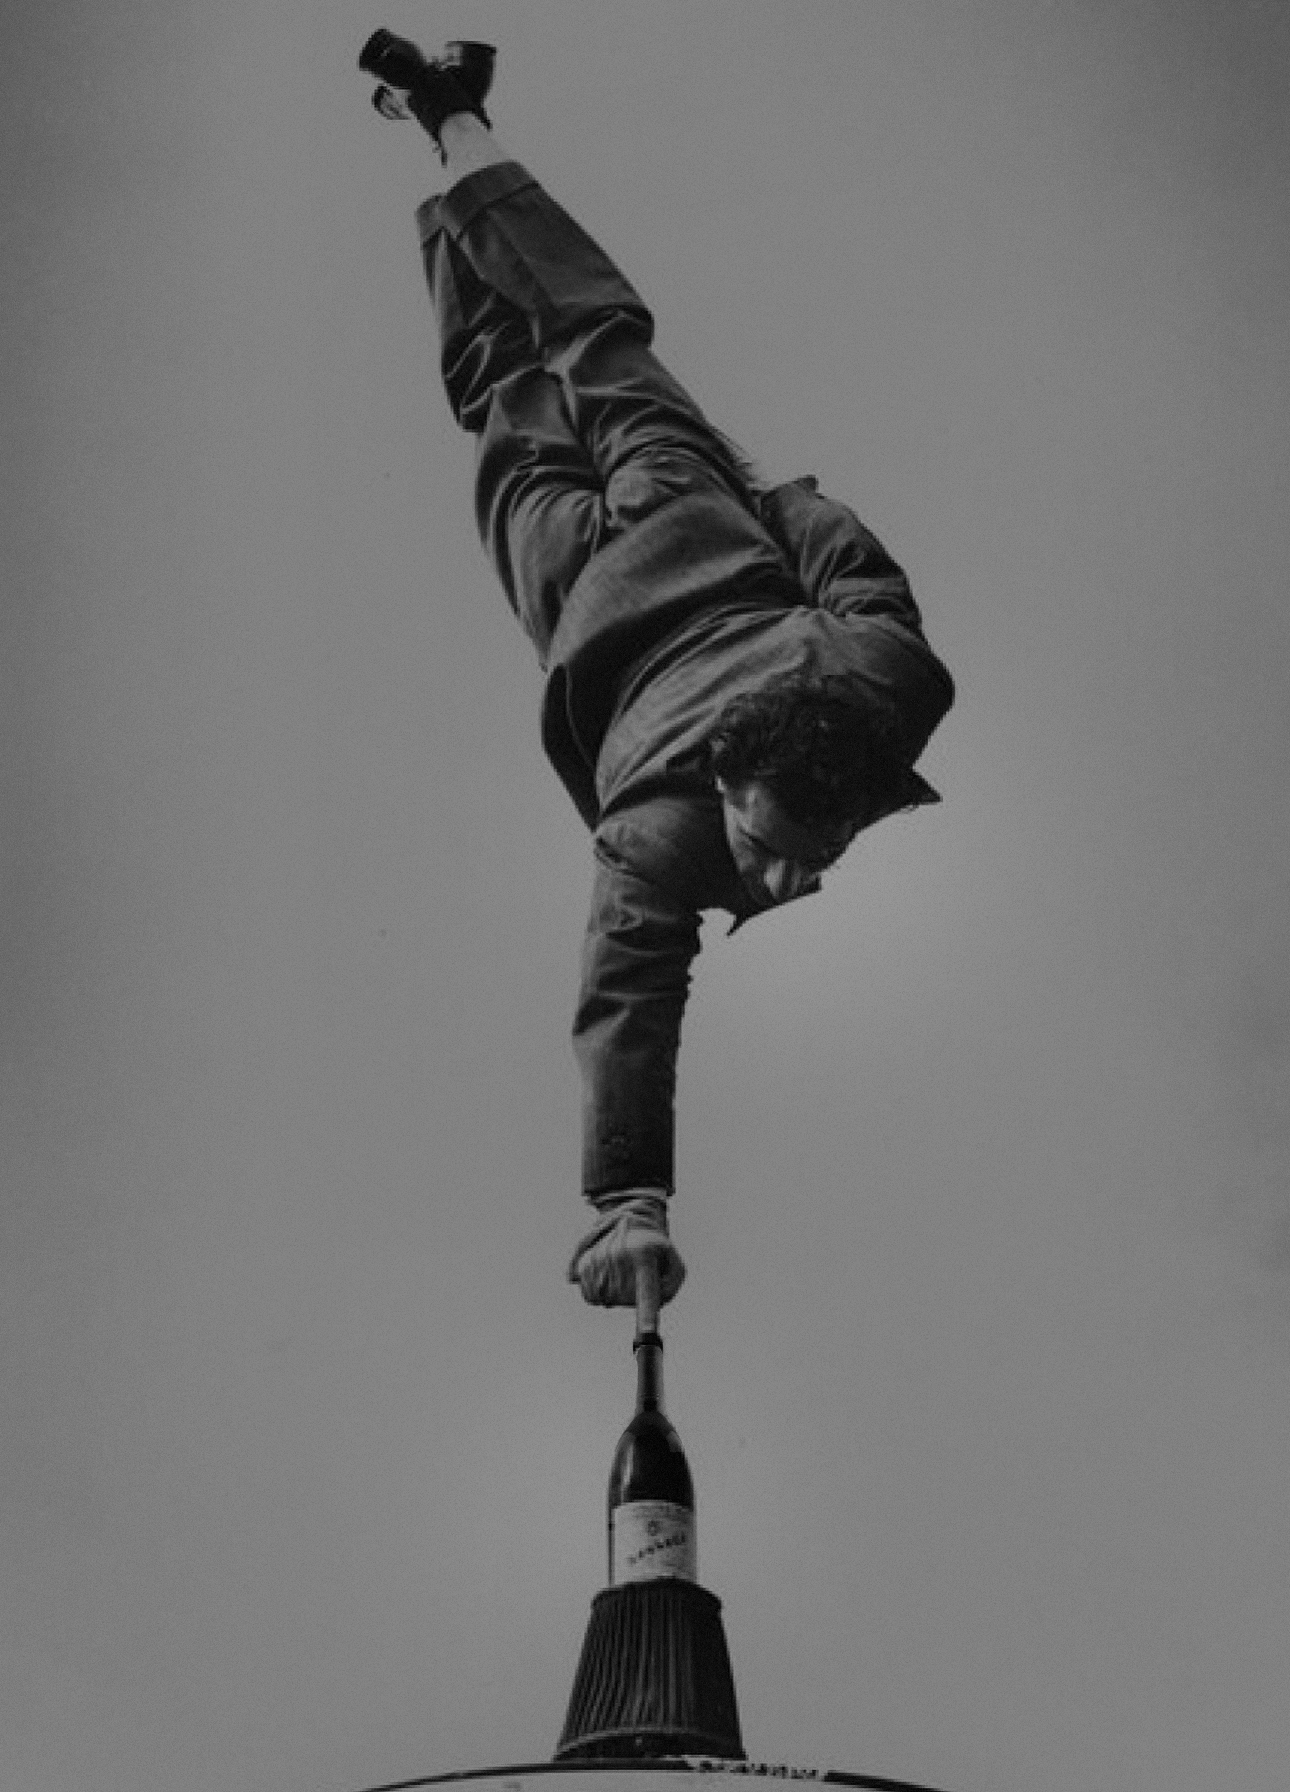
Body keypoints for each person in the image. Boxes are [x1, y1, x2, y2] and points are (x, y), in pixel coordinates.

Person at [357, 32, 955, 1310]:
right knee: (577, 337)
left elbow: (836, 545)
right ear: (725, 775)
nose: (789, 880)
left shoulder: (892, 689)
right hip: (658, 532)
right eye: (776, 845)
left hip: (595, 574)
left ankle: (448, 127)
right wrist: (627, 1202)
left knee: (514, 374)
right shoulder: (668, 842)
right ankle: (454, 123)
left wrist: (763, 500)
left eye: (814, 855)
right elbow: (627, 1003)